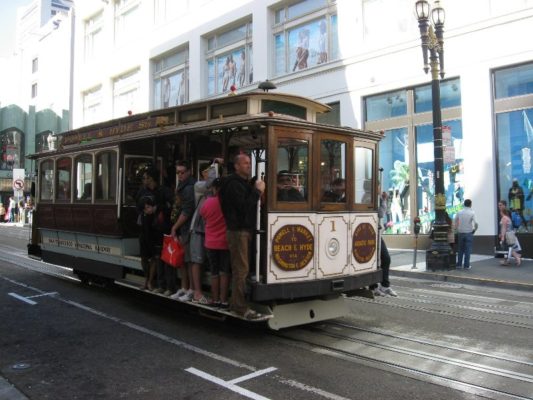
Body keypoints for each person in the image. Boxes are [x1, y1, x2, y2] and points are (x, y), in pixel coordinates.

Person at [220, 153, 266, 320]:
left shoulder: (239, 183)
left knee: (241, 268)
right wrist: (257, 191)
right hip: (238, 231)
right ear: (237, 166)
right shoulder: (233, 184)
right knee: (241, 269)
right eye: (245, 163)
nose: (248, 165)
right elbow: (243, 207)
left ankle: (236, 303)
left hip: (241, 230)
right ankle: (239, 307)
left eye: (249, 163)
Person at [136, 167, 173, 292]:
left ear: (151, 179)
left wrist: (155, 209)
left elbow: (169, 206)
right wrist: (144, 210)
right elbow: (137, 207)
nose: (143, 180)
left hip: (157, 229)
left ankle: (151, 281)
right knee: (144, 256)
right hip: (144, 228)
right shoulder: (141, 191)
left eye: (145, 178)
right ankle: (147, 278)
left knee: (156, 256)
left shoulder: (163, 191)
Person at [200, 178, 231, 309]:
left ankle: (215, 299)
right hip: (225, 242)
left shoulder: (207, 203)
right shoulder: (228, 203)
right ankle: (224, 300)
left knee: (214, 271)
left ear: (214, 188)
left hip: (210, 242)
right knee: (225, 271)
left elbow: (203, 217)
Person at [170, 161, 196, 300]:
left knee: (189, 259)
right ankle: (184, 287)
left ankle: (190, 289)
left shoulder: (188, 187)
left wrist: (175, 227)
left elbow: (187, 211)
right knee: (183, 260)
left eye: (182, 172)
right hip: (183, 228)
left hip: (187, 228)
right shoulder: (183, 185)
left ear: (189, 172)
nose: (180, 175)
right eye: (178, 172)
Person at [370, 186, 397, 297]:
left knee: (385, 258)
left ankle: (384, 286)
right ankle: (374, 287)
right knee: (373, 260)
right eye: (378, 186)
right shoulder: (369, 198)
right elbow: (380, 213)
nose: (380, 189)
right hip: (370, 232)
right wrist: (384, 200)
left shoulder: (376, 198)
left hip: (377, 232)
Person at [454, 199, 478, 269]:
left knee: (460, 249)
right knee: (468, 250)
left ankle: (459, 264)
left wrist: (456, 229)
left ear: (464, 204)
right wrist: (474, 230)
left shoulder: (459, 212)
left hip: (460, 232)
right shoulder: (472, 213)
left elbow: (455, 220)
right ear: (470, 204)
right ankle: (466, 265)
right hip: (469, 233)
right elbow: (476, 223)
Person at [498, 201, 522, 266]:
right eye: (499, 205)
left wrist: (502, 237)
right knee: (509, 247)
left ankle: (517, 258)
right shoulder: (507, 217)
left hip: (507, 235)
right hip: (510, 233)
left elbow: (504, 228)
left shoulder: (504, 218)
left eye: (500, 205)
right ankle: (508, 260)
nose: (499, 207)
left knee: (508, 247)